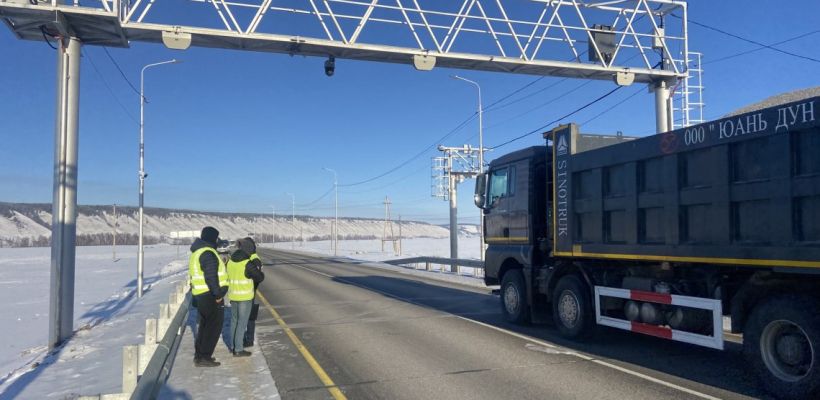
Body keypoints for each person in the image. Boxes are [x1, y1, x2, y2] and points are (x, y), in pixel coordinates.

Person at [189, 226, 229, 367]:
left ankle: (200, 356)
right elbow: (211, 276)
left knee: (204, 327)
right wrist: (218, 295)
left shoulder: (197, 252)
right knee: (213, 327)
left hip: (201, 295)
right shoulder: (208, 253)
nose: (218, 240)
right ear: (212, 238)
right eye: (216, 237)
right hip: (210, 296)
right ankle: (205, 356)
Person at [227, 237, 264, 356]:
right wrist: (260, 272)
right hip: (245, 297)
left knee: (234, 321)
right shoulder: (246, 263)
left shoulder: (231, 261)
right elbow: (259, 277)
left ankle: (233, 345)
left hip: (233, 296)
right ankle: (238, 349)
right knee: (242, 323)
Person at [243, 240, 265, 348]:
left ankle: (249, 339)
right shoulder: (250, 257)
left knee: (250, 318)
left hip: (249, 292)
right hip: (246, 291)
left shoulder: (254, 259)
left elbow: (258, 277)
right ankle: (245, 338)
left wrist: (252, 288)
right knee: (246, 317)